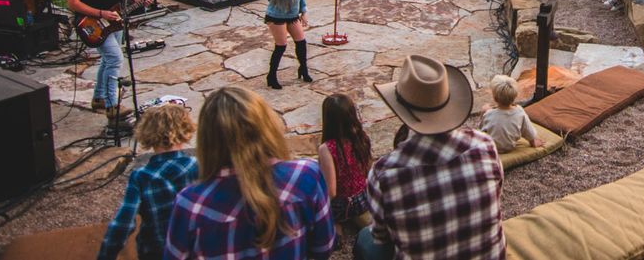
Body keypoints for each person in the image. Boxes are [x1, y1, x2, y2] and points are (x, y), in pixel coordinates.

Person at [355, 55, 504, 260]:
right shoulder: (485, 146)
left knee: (365, 239)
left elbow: (381, 237)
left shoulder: (384, 174)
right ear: (448, 102)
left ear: (402, 112)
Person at [164, 87, 335, 260]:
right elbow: (323, 248)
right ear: (266, 126)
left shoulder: (190, 205)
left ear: (207, 140)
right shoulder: (305, 176)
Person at [98, 104, 198, 260]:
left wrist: (105, 255)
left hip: (155, 251)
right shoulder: (198, 166)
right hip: (194, 248)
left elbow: (123, 223)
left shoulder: (141, 176)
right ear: (186, 130)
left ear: (146, 133)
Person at [66, 0, 144, 120]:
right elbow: (73, 3)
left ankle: (99, 97)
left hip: (115, 20)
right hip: (93, 23)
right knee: (115, 59)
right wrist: (100, 13)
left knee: (107, 60)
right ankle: (112, 105)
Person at [317, 94, 373, 235]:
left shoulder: (327, 148)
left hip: (342, 206)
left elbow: (331, 192)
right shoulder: (361, 137)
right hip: (363, 198)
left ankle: (336, 226)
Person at [264, 0, 311, 89]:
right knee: (281, 46)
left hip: (292, 15)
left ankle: (303, 69)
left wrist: (304, 11)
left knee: (301, 42)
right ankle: (271, 76)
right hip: (276, 16)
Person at [480, 75, 543, 153]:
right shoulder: (519, 111)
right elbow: (528, 130)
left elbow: (482, 130)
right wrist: (533, 141)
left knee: (485, 108)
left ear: (494, 98)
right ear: (515, 96)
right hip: (509, 146)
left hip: (491, 148)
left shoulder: (489, 114)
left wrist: (485, 112)